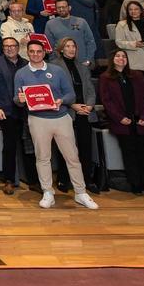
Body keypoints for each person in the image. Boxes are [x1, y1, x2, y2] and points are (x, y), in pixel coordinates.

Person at [13, 40, 99, 210]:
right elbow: (16, 99)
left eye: (39, 51)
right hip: (37, 119)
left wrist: (61, 100)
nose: (35, 54)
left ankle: (81, 192)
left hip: (61, 117)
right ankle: (47, 192)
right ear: (27, 53)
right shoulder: (21, 74)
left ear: (44, 52)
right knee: (43, 157)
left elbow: (70, 94)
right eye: (32, 51)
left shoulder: (57, 70)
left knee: (72, 157)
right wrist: (20, 99)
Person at [98, 49, 144, 196]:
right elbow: (107, 101)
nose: (121, 58)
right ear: (112, 59)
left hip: (141, 121)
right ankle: (135, 184)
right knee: (129, 154)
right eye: (118, 56)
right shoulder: (105, 78)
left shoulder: (137, 75)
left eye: (124, 56)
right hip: (123, 122)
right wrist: (119, 118)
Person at [49, 37, 99, 195]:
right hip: (67, 111)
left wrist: (89, 106)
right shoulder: (55, 67)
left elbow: (91, 89)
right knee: (66, 148)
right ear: (61, 49)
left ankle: (87, 179)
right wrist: (72, 105)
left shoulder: (83, 66)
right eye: (68, 46)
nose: (71, 49)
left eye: (73, 46)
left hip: (85, 111)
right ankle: (64, 178)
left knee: (85, 147)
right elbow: (55, 92)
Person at [0, 37, 34, 195]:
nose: (9, 49)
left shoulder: (27, 63)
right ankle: (8, 180)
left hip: (27, 111)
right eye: (6, 46)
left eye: (12, 46)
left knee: (30, 146)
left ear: (18, 47)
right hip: (6, 111)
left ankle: (33, 180)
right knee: (9, 147)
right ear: (2, 48)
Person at [114, 0, 144, 101]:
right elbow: (119, 42)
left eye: (136, 9)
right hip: (135, 61)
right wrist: (134, 44)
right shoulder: (122, 24)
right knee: (140, 92)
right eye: (130, 9)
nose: (133, 11)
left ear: (141, 11)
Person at [44, 0, 96, 66]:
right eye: (59, 7)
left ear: (69, 7)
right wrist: (54, 62)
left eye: (64, 7)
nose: (61, 9)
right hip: (61, 65)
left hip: (82, 63)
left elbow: (91, 42)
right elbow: (50, 46)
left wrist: (88, 60)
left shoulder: (81, 22)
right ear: (56, 9)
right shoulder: (50, 24)